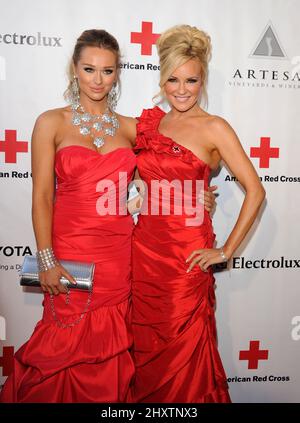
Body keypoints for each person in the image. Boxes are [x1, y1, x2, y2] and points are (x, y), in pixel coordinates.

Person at [0, 29, 216, 403]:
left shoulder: (133, 127)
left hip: (118, 254)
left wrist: (194, 197)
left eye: (108, 71)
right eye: (89, 69)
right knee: (62, 342)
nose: (97, 80)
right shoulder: (50, 122)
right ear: (74, 69)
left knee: (111, 347)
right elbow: (41, 198)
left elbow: (159, 178)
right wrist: (47, 258)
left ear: (118, 73)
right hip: (67, 252)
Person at [130, 25, 266, 403]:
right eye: (172, 79)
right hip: (143, 257)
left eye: (191, 79)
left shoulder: (215, 127)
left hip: (185, 261)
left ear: (203, 78)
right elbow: (143, 181)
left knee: (182, 356)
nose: (182, 89)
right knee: (143, 353)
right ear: (161, 77)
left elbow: (255, 191)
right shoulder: (151, 124)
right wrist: (183, 193)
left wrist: (226, 252)